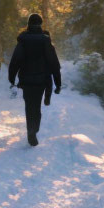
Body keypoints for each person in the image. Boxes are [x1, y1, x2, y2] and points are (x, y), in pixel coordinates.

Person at [8, 13, 61, 146]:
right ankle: (34, 130)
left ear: (28, 24)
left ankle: (30, 131)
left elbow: (15, 61)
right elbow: (54, 63)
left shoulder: (23, 41)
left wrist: (12, 78)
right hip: (41, 80)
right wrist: (58, 83)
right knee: (36, 107)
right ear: (40, 23)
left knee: (29, 107)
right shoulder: (45, 40)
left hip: (26, 81)